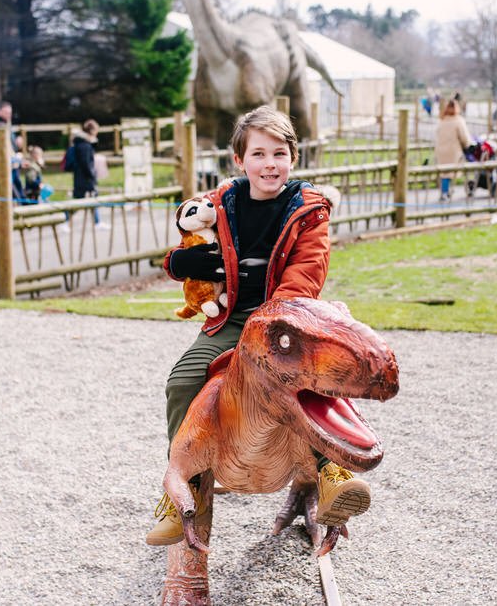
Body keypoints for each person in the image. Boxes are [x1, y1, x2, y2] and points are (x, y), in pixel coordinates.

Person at [146, 105, 366, 546]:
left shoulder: (308, 211)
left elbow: (305, 277)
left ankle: (331, 472)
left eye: (279, 153)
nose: (270, 164)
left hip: (289, 319)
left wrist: (271, 327)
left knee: (321, 380)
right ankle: (183, 487)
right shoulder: (222, 202)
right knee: (183, 382)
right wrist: (176, 262)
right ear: (239, 160)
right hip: (232, 319)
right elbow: (188, 237)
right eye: (259, 154)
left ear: (294, 157)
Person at [0, 101, 24, 210]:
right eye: (7, 112)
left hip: (10, 166)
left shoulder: (6, 124)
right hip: (1, 168)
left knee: (13, 192)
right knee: (6, 192)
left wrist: (16, 143)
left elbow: (10, 146)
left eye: (10, 112)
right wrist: (16, 159)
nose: (9, 115)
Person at [70, 119, 109, 228]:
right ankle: (65, 219)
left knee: (92, 199)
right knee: (79, 201)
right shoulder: (84, 145)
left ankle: (97, 221)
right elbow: (86, 163)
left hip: (82, 177)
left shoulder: (82, 143)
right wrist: (92, 175)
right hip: (84, 178)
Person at [434, 98, 471, 200]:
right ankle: (464, 189)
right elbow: (464, 138)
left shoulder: (442, 120)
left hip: (441, 150)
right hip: (453, 150)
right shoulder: (458, 121)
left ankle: (444, 192)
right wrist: (467, 145)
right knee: (453, 170)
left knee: (444, 172)